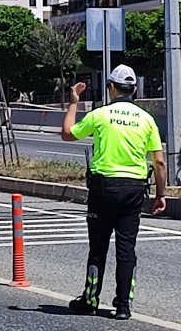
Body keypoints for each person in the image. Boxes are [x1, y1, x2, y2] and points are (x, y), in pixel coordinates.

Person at [61, 64, 167, 320]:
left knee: (98, 247)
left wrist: (74, 102)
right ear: (134, 89)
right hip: (134, 190)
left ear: (111, 87)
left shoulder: (100, 115)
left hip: (103, 188)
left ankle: (89, 300)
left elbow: (67, 134)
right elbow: (159, 162)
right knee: (126, 249)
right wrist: (160, 195)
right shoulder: (146, 119)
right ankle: (123, 306)